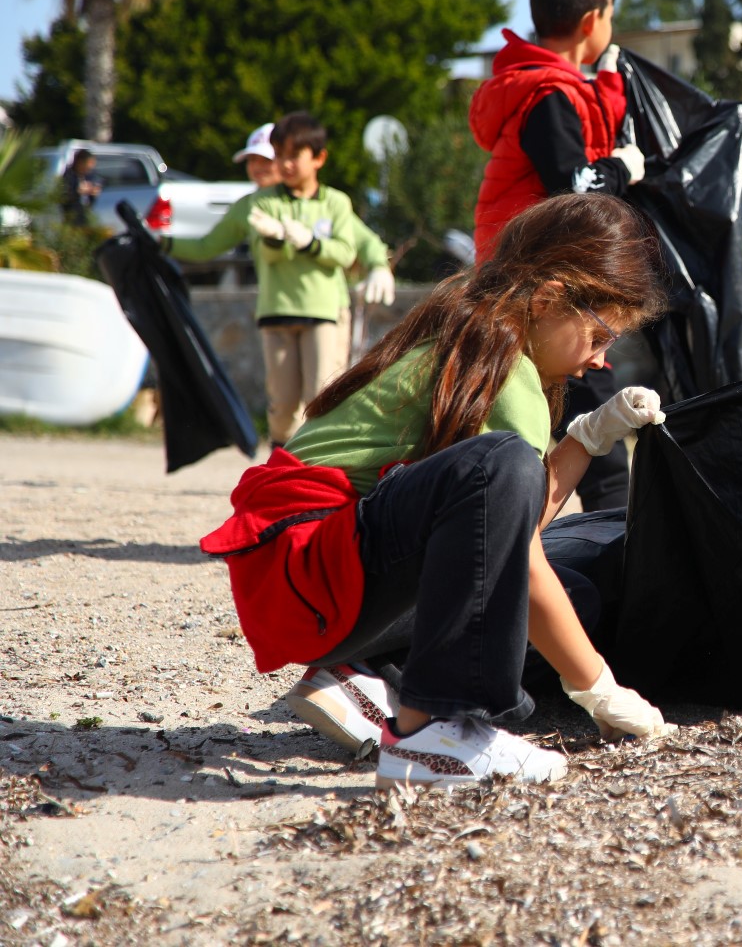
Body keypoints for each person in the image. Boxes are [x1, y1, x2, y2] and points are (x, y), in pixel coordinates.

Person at [199, 193, 675, 789]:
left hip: (307, 577)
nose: (604, 361)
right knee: (502, 473)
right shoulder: (505, 369)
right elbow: (515, 538)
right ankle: (433, 731)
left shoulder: (478, 334)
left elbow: (503, 528)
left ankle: (369, 676)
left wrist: (586, 439)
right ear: (552, 299)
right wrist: (599, 687)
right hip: (310, 570)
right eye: (604, 334)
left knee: (572, 595)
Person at [468, 0, 648, 511]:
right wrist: (625, 166)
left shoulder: (539, 86)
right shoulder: (549, 95)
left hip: (526, 286)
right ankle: (613, 552)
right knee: (601, 450)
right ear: (594, 19)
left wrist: (610, 90)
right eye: (611, 18)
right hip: (539, 295)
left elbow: (574, 153)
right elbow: (577, 190)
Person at [163, 112, 363, 447]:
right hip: (277, 311)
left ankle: (321, 470)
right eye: (279, 156)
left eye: (292, 156)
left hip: (323, 312)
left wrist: (309, 242)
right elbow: (215, 247)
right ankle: (281, 469)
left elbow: (344, 253)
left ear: (318, 158)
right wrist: (162, 242)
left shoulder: (336, 202)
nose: (284, 165)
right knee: (282, 404)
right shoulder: (261, 202)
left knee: (322, 396)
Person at [234, 122, 396, 325]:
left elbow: (362, 240)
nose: (258, 167)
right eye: (252, 160)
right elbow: (206, 246)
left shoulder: (326, 201)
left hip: (325, 310)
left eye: (266, 160)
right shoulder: (250, 205)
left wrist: (379, 266)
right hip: (278, 310)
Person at [59, 148, 102, 229]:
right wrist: (78, 192)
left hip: (83, 218)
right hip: (70, 218)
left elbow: (88, 202)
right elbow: (63, 198)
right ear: (80, 162)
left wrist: (93, 194)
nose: (91, 167)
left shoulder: (87, 176)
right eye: (89, 163)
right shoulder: (69, 176)